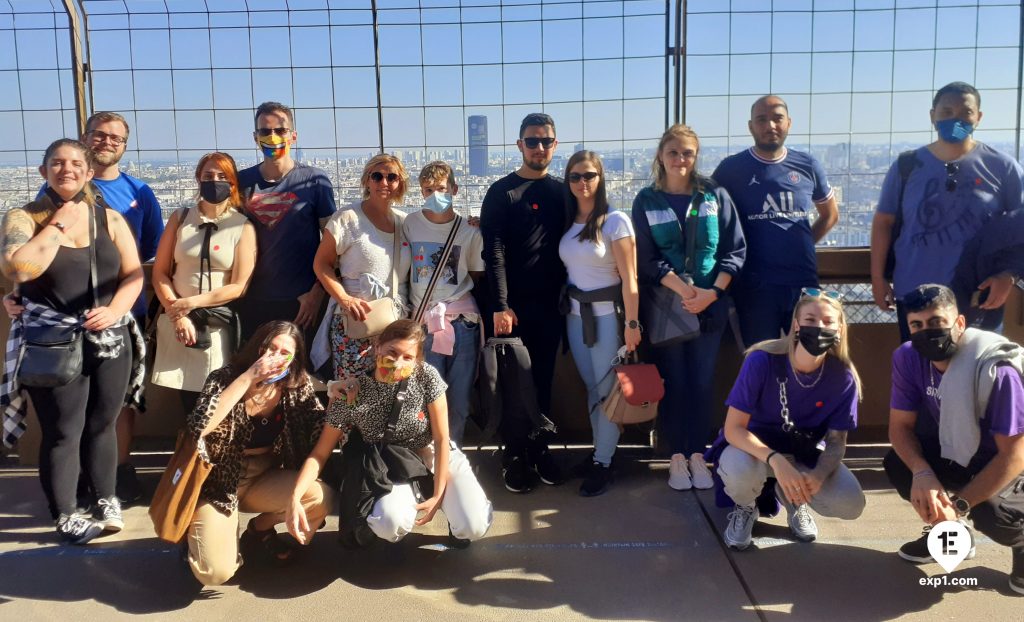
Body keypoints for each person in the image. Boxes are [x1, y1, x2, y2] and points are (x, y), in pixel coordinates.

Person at [0, 138, 144, 543]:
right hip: (53, 340)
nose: (67, 170)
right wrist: (61, 221)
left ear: (89, 172)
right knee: (63, 430)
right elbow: (22, 269)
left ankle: (105, 497)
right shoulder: (24, 218)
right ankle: (64, 513)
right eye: (57, 164)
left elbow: (134, 274)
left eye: (76, 164)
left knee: (103, 424)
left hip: (110, 336)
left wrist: (116, 310)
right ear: (43, 171)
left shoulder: (110, 219)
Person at [27, 111, 165, 504]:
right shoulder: (52, 194)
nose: (107, 143)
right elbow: (35, 251)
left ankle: (117, 474)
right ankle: (82, 481)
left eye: (115, 138)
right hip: (64, 317)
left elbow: (148, 255)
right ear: (86, 139)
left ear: (125, 145)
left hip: (124, 313)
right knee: (72, 406)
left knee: (118, 403)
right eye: (98, 136)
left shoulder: (140, 191)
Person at [287, 319, 492, 548]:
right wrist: (295, 497)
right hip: (389, 463)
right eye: (391, 352)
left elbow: (442, 438)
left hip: (430, 452)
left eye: (408, 357)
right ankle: (382, 515)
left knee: (473, 526)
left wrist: (438, 495)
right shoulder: (352, 392)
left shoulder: (426, 376)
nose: (397, 362)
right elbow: (320, 453)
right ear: (377, 347)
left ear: (417, 360)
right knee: (390, 523)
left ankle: (458, 520)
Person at [882, 284, 1023, 595]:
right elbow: (900, 428)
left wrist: (958, 505)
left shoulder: (996, 370)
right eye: (916, 325)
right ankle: (948, 534)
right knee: (899, 464)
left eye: (936, 322)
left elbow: (1014, 455)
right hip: (957, 448)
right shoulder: (908, 357)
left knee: (994, 513)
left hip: (1006, 461)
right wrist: (922, 472)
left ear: (959, 324)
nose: (926, 332)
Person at [632, 125, 746, 490]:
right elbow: (645, 259)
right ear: (660, 156)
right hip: (668, 309)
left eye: (688, 153)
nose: (680, 160)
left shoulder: (714, 195)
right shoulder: (646, 200)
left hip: (711, 307)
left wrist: (711, 293)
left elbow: (735, 250)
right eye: (674, 153)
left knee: (701, 382)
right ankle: (676, 456)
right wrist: (685, 291)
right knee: (674, 382)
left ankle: (699, 453)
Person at [870, 82, 1024, 342]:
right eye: (947, 112)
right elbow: (884, 222)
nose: (956, 119)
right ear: (933, 116)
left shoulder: (1003, 167)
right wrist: (877, 278)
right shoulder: (907, 166)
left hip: (979, 295)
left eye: (965, 112)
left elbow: (1020, 228)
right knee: (920, 374)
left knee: (976, 373)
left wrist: (1008, 275)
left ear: (979, 117)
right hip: (915, 293)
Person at [184, 321, 332, 586]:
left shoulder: (295, 385)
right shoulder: (225, 377)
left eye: (285, 352)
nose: (276, 357)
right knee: (215, 572)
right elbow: (200, 426)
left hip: (262, 476)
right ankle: (202, 536)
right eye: (271, 348)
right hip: (217, 485)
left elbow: (319, 426)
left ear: (294, 359)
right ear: (258, 347)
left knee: (320, 497)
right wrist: (249, 377)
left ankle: (259, 531)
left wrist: (340, 402)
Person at [718, 289, 865, 550]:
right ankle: (746, 506)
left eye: (828, 322)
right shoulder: (762, 360)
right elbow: (733, 429)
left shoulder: (843, 377)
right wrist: (776, 461)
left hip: (803, 454)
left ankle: (794, 499)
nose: (819, 327)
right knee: (739, 471)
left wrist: (819, 475)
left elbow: (836, 442)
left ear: (840, 329)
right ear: (796, 325)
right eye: (810, 320)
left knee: (850, 502)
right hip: (754, 450)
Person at [480, 112, 568, 493]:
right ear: (519, 145)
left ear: (555, 145)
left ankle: (539, 448)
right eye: (531, 141)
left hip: (552, 306)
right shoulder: (501, 192)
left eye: (546, 140)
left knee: (543, 381)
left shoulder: (564, 191)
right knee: (513, 383)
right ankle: (513, 454)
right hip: (510, 308)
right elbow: (493, 250)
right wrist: (500, 305)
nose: (539, 147)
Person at [712, 95, 839, 347]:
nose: (770, 125)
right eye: (762, 119)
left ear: (789, 123)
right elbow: (710, 218)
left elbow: (830, 214)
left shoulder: (808, 164)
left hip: (802, 282)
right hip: (754, 286)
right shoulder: (730, 169)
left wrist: (801, 243)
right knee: (760, 359)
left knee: (809, 356)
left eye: (777, 118)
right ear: (751, 127)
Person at [150, 152, 257, 416]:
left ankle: (208, 456)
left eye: (222, 176)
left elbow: (239, 286)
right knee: (186, 399)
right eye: (208, 175)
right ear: (198, 178)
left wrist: (190, 304)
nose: (215, 181)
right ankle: (190, 454)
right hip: (180, 325)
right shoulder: (180, 219)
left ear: (233, 183)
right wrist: (178, 314)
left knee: (215, 399)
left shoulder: (242, 226)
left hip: (217, 324)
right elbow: (160, 273)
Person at [559, 151, 640, 497]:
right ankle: (598, 454)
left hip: (608, 318)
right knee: (593, 389)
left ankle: (604, 463)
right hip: (576, 317)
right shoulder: (569, 220)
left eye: (589, 175)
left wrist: (633, 324)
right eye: (575, 176)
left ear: (601, 178)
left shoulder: (615, 220)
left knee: (608, 392)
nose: (582, 183)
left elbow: (630, 279)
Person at [235, 101, 337, 347]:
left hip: (302, 302)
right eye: (265, 131)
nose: (272, 137)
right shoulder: (241, 182)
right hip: (252, 299)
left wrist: (316, 294)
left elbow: (334, 245)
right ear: (255, 137)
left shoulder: (314, 181)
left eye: (280, 130)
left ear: (293, 135)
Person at [402, 161, 484, 446]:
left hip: (461, 320)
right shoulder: (409, 223)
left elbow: (476, 273)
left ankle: (454, 456)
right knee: (424, 397)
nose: (434, 195)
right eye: (428, 190)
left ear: (454, 190)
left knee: (459, 397)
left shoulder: (470, 231)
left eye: (441, 188)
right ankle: (428, 457)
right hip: (424, 323)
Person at [312, 154, 411, 380]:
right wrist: (345, 299)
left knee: (392, 395)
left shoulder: (406, 223)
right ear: (367, 181)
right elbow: (321, 263)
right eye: (377, 176)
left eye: (391, 177)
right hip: (356, 323)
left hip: (395, 324)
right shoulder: (347, 219)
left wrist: (474, 224)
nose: (384, 183)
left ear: (400, 183)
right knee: (351, 395)